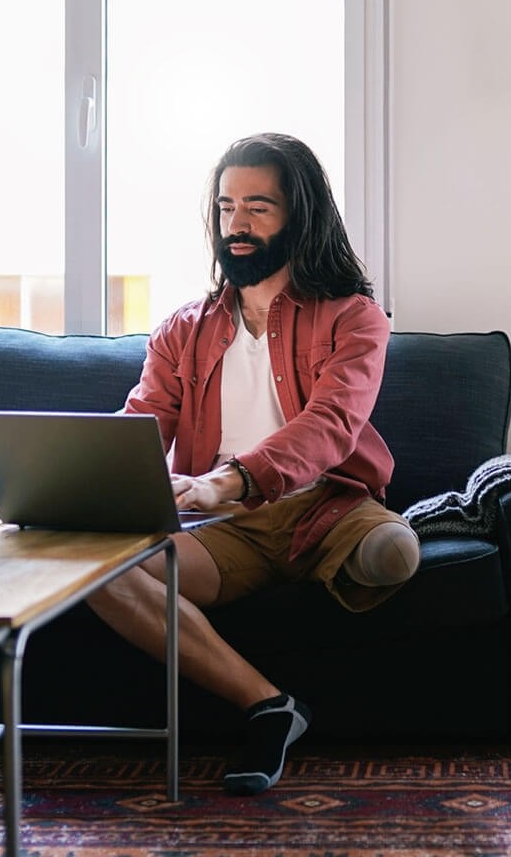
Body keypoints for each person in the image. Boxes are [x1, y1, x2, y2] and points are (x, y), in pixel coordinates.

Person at [87, 133, 420, 796]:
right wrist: (91, 481)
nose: (236, 225)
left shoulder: (353, 317)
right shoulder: (184, 326)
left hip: (325, 502)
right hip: (222, 527)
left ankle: (366, 546)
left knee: (390, 553)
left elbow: (330, 425)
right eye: (226, 207)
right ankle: (269, 704)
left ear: (300, 215)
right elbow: (145, 417)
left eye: (258, 207)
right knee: (97, 570)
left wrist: (226, 481)